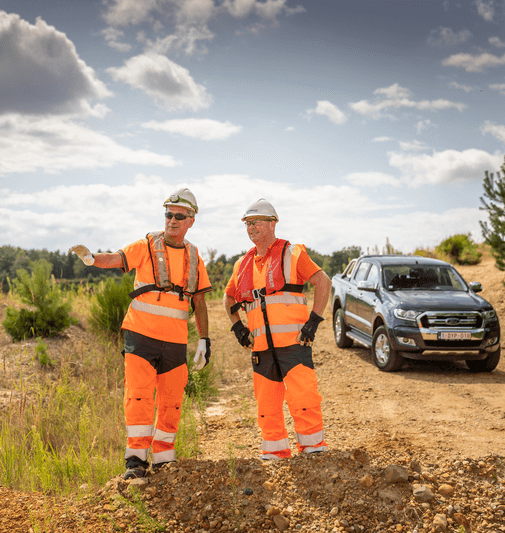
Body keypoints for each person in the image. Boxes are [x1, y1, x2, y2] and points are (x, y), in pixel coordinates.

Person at [70, 188, 212, 479]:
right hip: (140, 335)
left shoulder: (195, 257)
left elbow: (199, 302)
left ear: (191, 220)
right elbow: (115, 259)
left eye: (179, 216)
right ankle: (135, 461)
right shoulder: (147, 246)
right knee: (138, 397)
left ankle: (163, 459)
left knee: (171, 400)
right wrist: (90, 258)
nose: (172, 220)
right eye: (168, 214)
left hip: (175, 342)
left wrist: (204, 340)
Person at [224, 198, 332, 459]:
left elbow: (323, 282)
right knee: (267, 405)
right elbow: (229, 298)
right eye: (247, 224)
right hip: (261, 349)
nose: (251, 228)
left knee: (304, 399)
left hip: (294, 343)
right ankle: (274, 451)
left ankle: (313, 448)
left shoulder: (292, 253)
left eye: (256, 222)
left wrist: (314, 321)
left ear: (273, 224)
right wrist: (237, 327)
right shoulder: (242, 264)